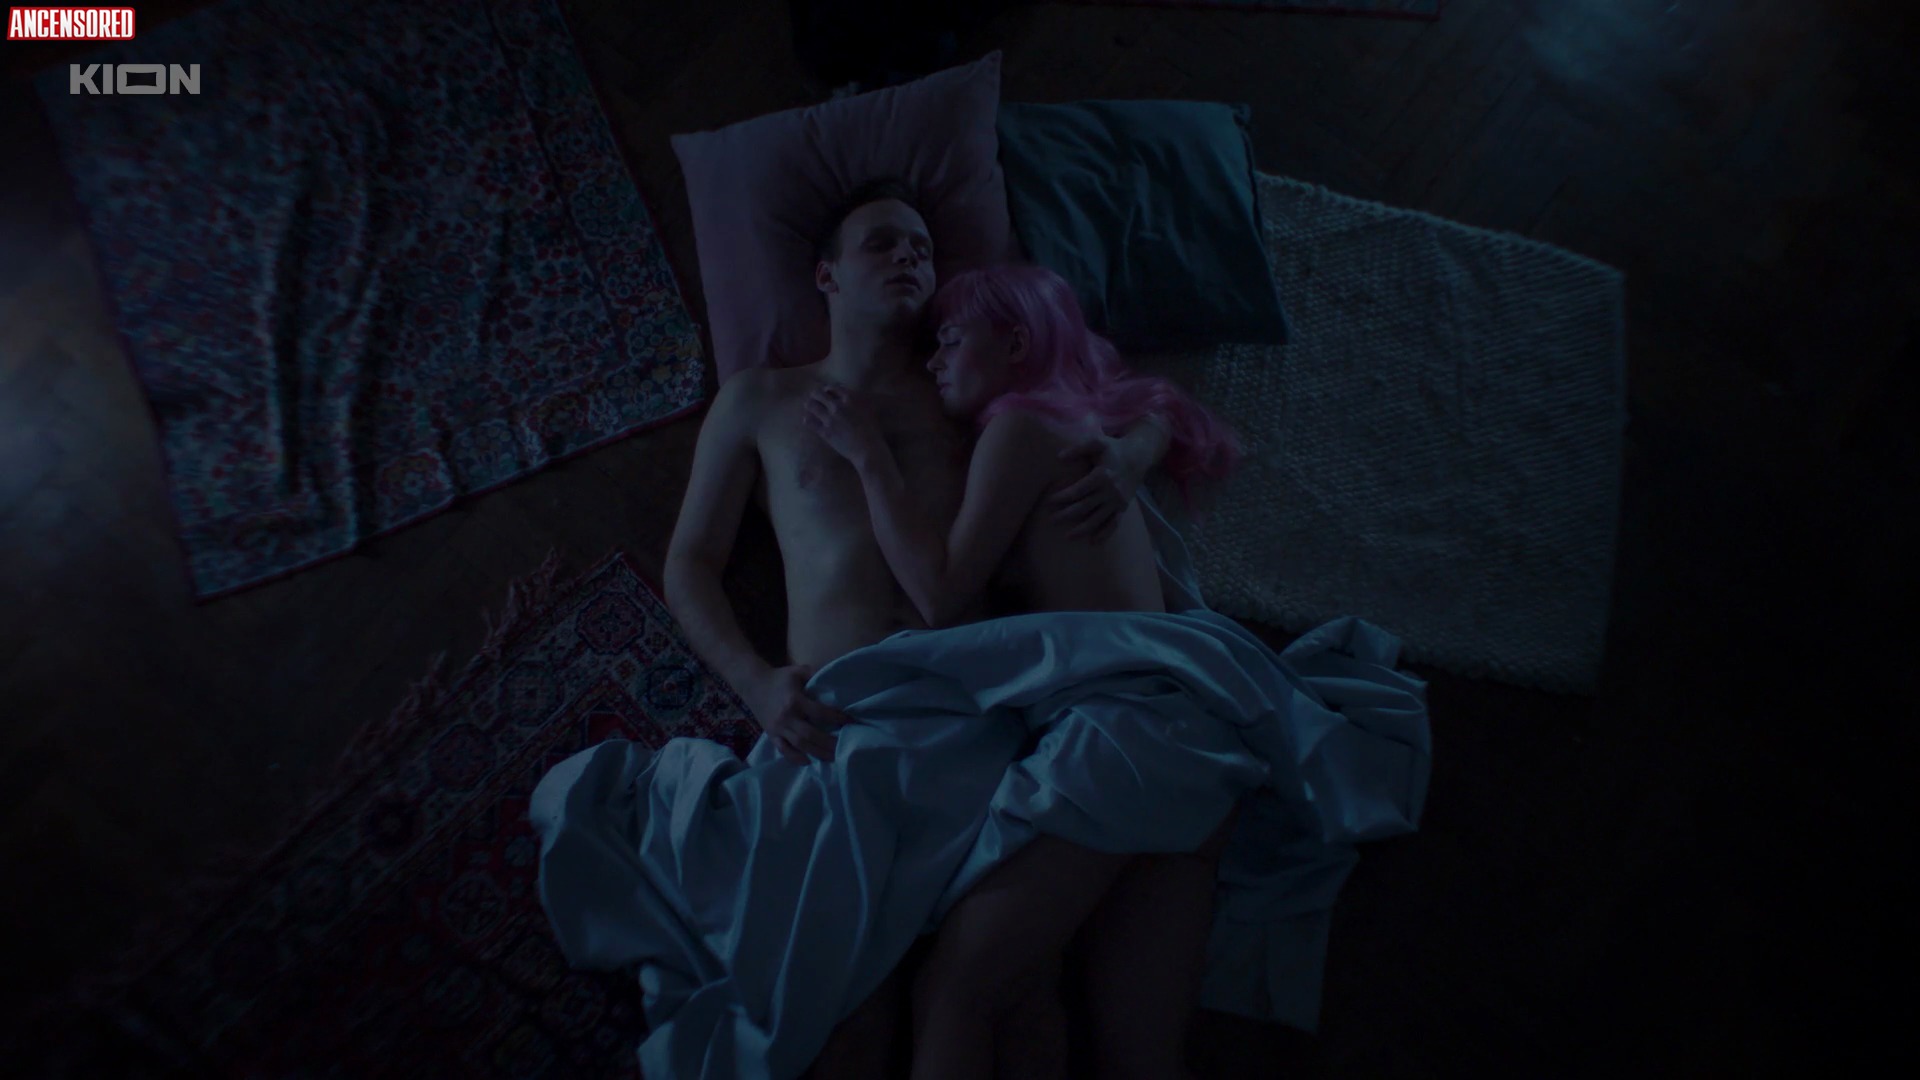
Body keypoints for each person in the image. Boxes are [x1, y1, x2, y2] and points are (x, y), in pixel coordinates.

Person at [661, 179, 1173, 1076]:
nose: (911, 257)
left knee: (1018, 995)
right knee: (846, 1017)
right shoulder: (761, 399)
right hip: (840, 721)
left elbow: (1125, 395)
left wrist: (1132, 453)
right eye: (883, 243)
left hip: (978, 716)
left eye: (924, 249)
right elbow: (689, 562)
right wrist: (754, 682)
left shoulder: (966, 390)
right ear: (825, 275)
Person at [804, 262, 1242, 1080]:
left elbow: (940, 595)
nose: (933, 358)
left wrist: (869, 458)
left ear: (1013, 344)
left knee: (955, 990)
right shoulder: (1079, 427)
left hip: (1122, 736)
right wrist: (1138, 448)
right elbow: (1162, 404)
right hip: (1186, 742)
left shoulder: (1019, 429)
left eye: (950, 339)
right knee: (1141, 1062)